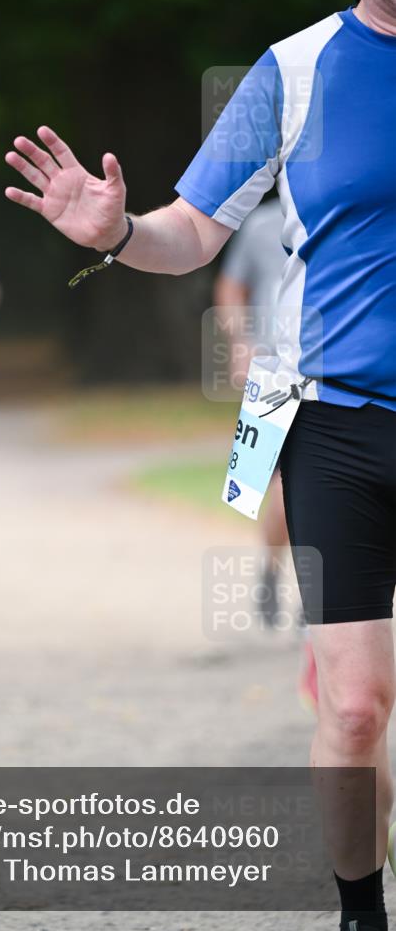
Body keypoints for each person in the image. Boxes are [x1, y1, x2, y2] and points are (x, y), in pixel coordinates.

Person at [4, 0, 396, 928]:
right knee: (353, 709)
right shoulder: (296, 71)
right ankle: (362, 911)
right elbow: (192, 232)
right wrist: (122, 233)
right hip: (334, 421)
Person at [214, 199, 289, 629]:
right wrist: (240, 343)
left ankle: (290, 581)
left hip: (339, 367)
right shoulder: (262, 223)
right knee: (273, 480)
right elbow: (230, 286)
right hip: (271, 365)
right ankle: (271, 573)